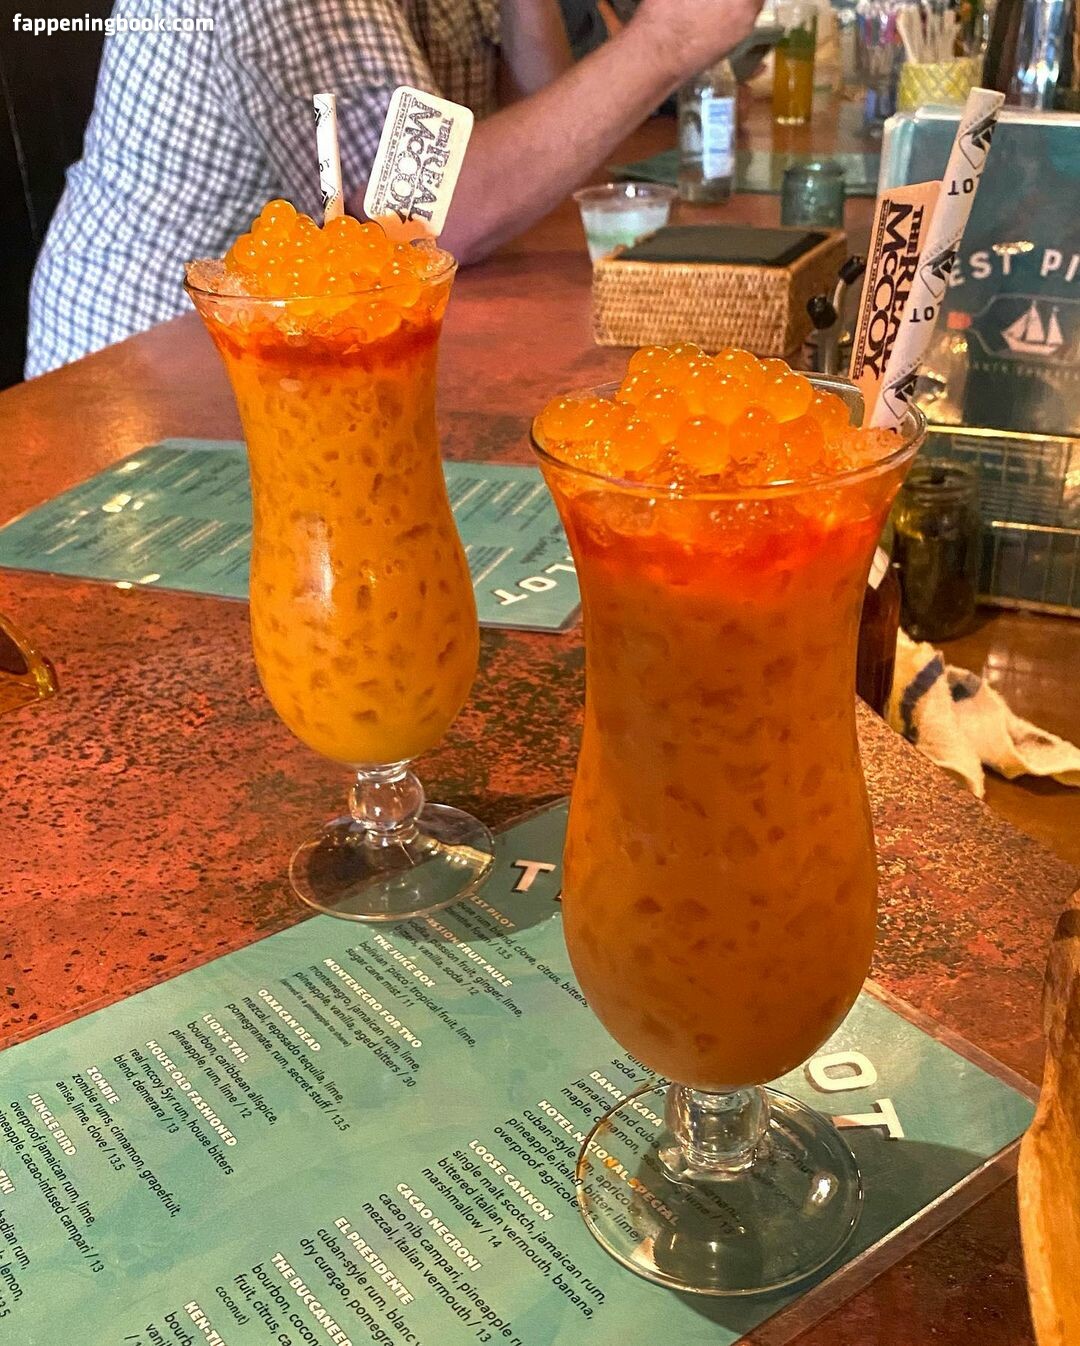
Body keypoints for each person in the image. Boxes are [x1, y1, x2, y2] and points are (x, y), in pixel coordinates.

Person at [26, 0, 763, 377]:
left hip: (314, 342)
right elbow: (412, 214)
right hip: (146, 375)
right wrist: (668, 39)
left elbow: (549, 135)